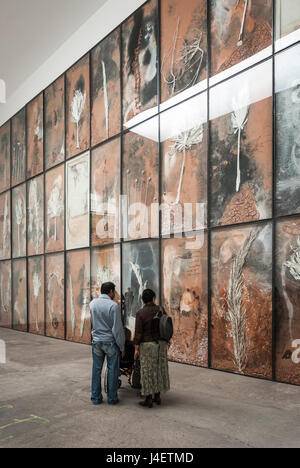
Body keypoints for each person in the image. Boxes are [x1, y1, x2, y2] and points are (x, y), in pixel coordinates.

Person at [90, 282, 125, 406]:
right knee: (112, 370)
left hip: (96, 342)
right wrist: (122, 346)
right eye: (114, 291)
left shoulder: (92, 304)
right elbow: (117, 329)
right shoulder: (113, 306)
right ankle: (112, 398)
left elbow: (93, 323)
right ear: (110, 291)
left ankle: (95, 397)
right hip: (110, 342)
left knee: (96, 370)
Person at [134, 289, 170, 408]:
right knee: (158, 369)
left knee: (148, 372)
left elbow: (138, 333)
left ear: (143, 300)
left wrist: (136, 348)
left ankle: (148, 399)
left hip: (147, 345)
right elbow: (166, 326)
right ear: (153, 298)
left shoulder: (140, 313)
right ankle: (157, 396)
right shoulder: (161, 309)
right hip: (160, 344)